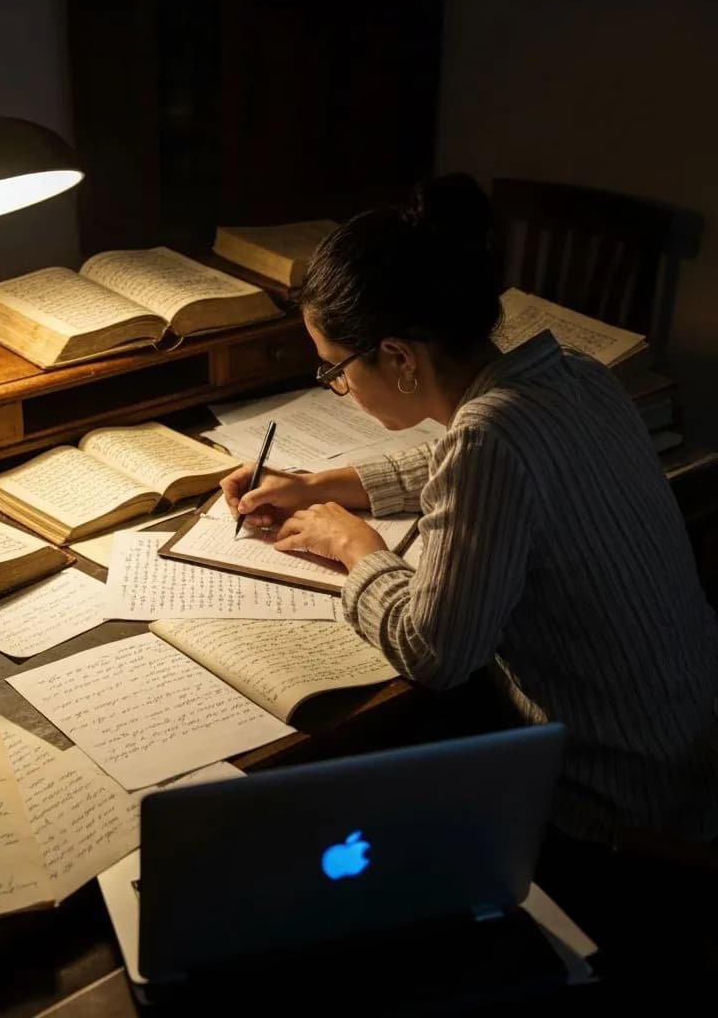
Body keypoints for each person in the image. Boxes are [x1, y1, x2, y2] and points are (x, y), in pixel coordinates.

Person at [220, 174, 718, 962]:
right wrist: (320, 484)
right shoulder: (574, 377)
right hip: (692, 752)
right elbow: (464, 460)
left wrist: (355, 546)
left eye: (335, 369)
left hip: (622, 816)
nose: (338, 388)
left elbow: (438, 652)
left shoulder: (491, 440)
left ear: (399, 356)